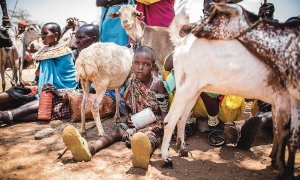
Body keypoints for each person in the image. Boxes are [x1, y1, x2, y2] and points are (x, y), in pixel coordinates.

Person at [62, 46, 169, 170]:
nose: (140, 67)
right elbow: (129, 106)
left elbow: (164, 110)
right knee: (116, 131)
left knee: (149, 137)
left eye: (146, 64)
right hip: (135, 122)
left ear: (153, 67)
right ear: (131, 64)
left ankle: (142, 155)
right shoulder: (130, 82)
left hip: (153, 123)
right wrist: (129, 117)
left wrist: (163, 127)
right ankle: (90, 148)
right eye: (136, 63)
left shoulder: (158, 84)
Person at [0, 22, 77, 124]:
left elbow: (68, 80)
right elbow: (41, 73)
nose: (41, 36)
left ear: (56, 35)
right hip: (42, 88)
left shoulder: (63, 51)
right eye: (41, 33)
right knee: (17, 90)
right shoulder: (45, 50)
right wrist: (32, 84)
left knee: (47, 101)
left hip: (62, 90)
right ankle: (7, 115)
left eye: (45, 33)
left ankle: (7, 115)